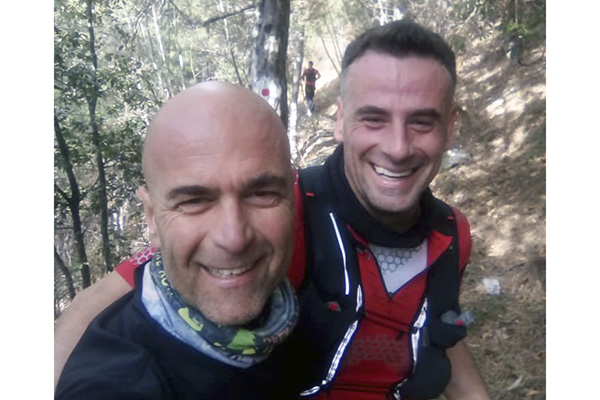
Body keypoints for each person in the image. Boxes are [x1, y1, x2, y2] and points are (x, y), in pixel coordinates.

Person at [55, 20, 491, 400]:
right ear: (340, 120)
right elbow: (108, 304)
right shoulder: (272, 210)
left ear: (450, 127)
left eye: (422, 121)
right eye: (373, 118)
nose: (397, 148)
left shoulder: (451, 233)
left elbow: (435, 324)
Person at [55, 81, 302, 399]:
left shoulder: (283, 316)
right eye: (194, 201)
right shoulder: (117, 382)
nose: (234, 238)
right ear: (151, 218)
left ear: (291, 195)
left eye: (261, 194)